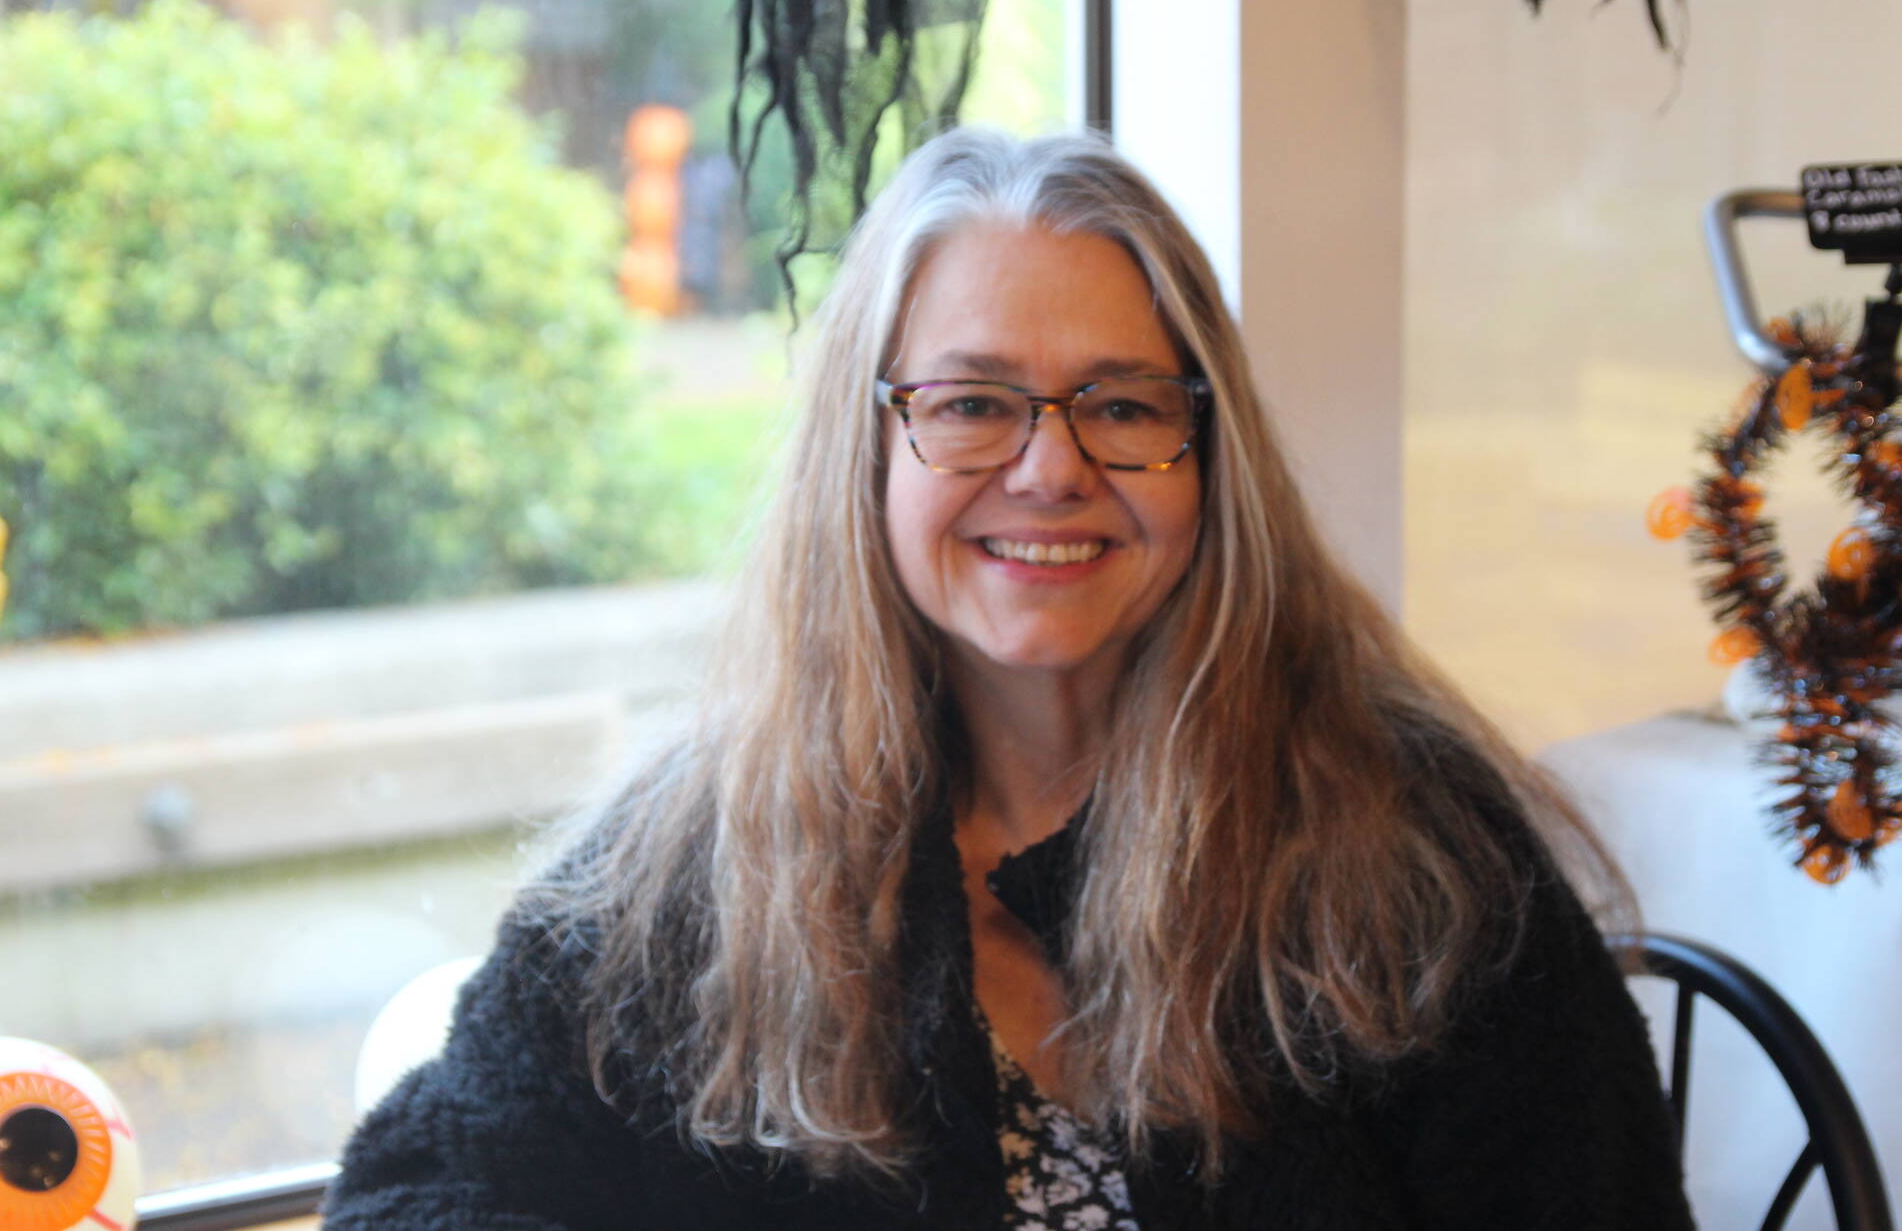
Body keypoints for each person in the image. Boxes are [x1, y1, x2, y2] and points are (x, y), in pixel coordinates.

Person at [323, 129, 1694, 1230]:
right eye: (973, 402)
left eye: (1123, 404)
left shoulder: (1413, 850)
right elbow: (416, 1196)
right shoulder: (702, 856)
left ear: (1210, 456)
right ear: (866, 455)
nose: (1050, 467)